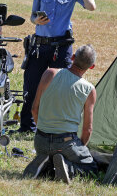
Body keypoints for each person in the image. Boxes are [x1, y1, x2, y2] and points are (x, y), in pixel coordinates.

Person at [18, 0, 96, 133]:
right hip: (39, 46)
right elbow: (31, 16)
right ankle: (27, 126)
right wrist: (36, 20)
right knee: (31, 85)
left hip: (61, 47)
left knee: (60, 87)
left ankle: (53, 126)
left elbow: (92, 6)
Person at [23, 45, 98, 183]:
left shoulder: (50, 73)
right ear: (91, 67)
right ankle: (66, 168)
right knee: (91, 169)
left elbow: (34, 108)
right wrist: (80, 148)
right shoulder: (89, 90)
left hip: (41, 141)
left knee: (51, 154)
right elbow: (87, 129)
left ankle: (45, 163)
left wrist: (43, 130)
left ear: (73, 57)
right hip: (66, 143)